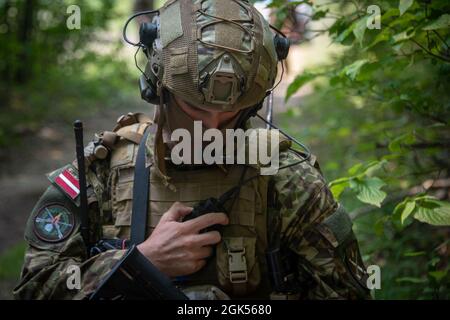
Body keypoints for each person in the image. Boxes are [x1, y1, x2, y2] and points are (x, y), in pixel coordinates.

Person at [14, 0, 370, 300]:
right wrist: (138, 263)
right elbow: (34, 287)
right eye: (195, 111)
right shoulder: (103, 172)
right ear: (156, 88)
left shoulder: (286, 179)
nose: (210, 129)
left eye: (229, 115)